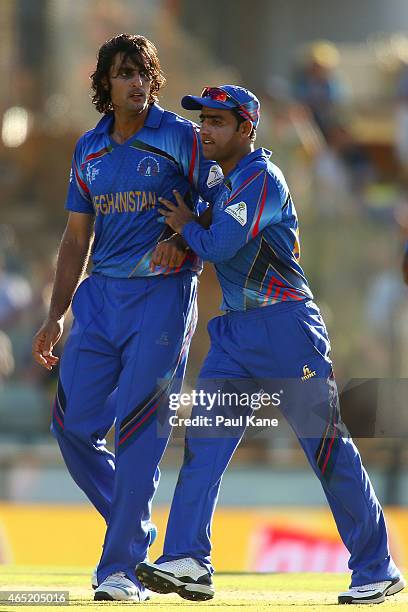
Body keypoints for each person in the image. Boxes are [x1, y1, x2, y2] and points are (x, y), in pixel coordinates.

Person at [136, 85, 406, 605]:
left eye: (217, 121)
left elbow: (217, 245)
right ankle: (188, 559)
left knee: (325, 447)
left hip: (287, 330)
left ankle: (377, 567)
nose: (205, 130)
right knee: (205, 444)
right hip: (235, 334)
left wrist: (187, 225)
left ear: (246, 129)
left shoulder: (263, 178)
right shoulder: (218, 180)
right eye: (203, 121)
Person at [31, 34, 223, 602]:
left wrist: (177, 235)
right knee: (71, 428)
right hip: (99, 300)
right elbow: (74, 238)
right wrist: (55, 314)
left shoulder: (182, 138)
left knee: (138, 430)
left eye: (143, 72)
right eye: (123, 73)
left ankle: (119, 569)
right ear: (105, 84)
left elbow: (220, 194)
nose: (136, 82)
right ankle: (135, 532)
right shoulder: (88, 148)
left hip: (162, 296)